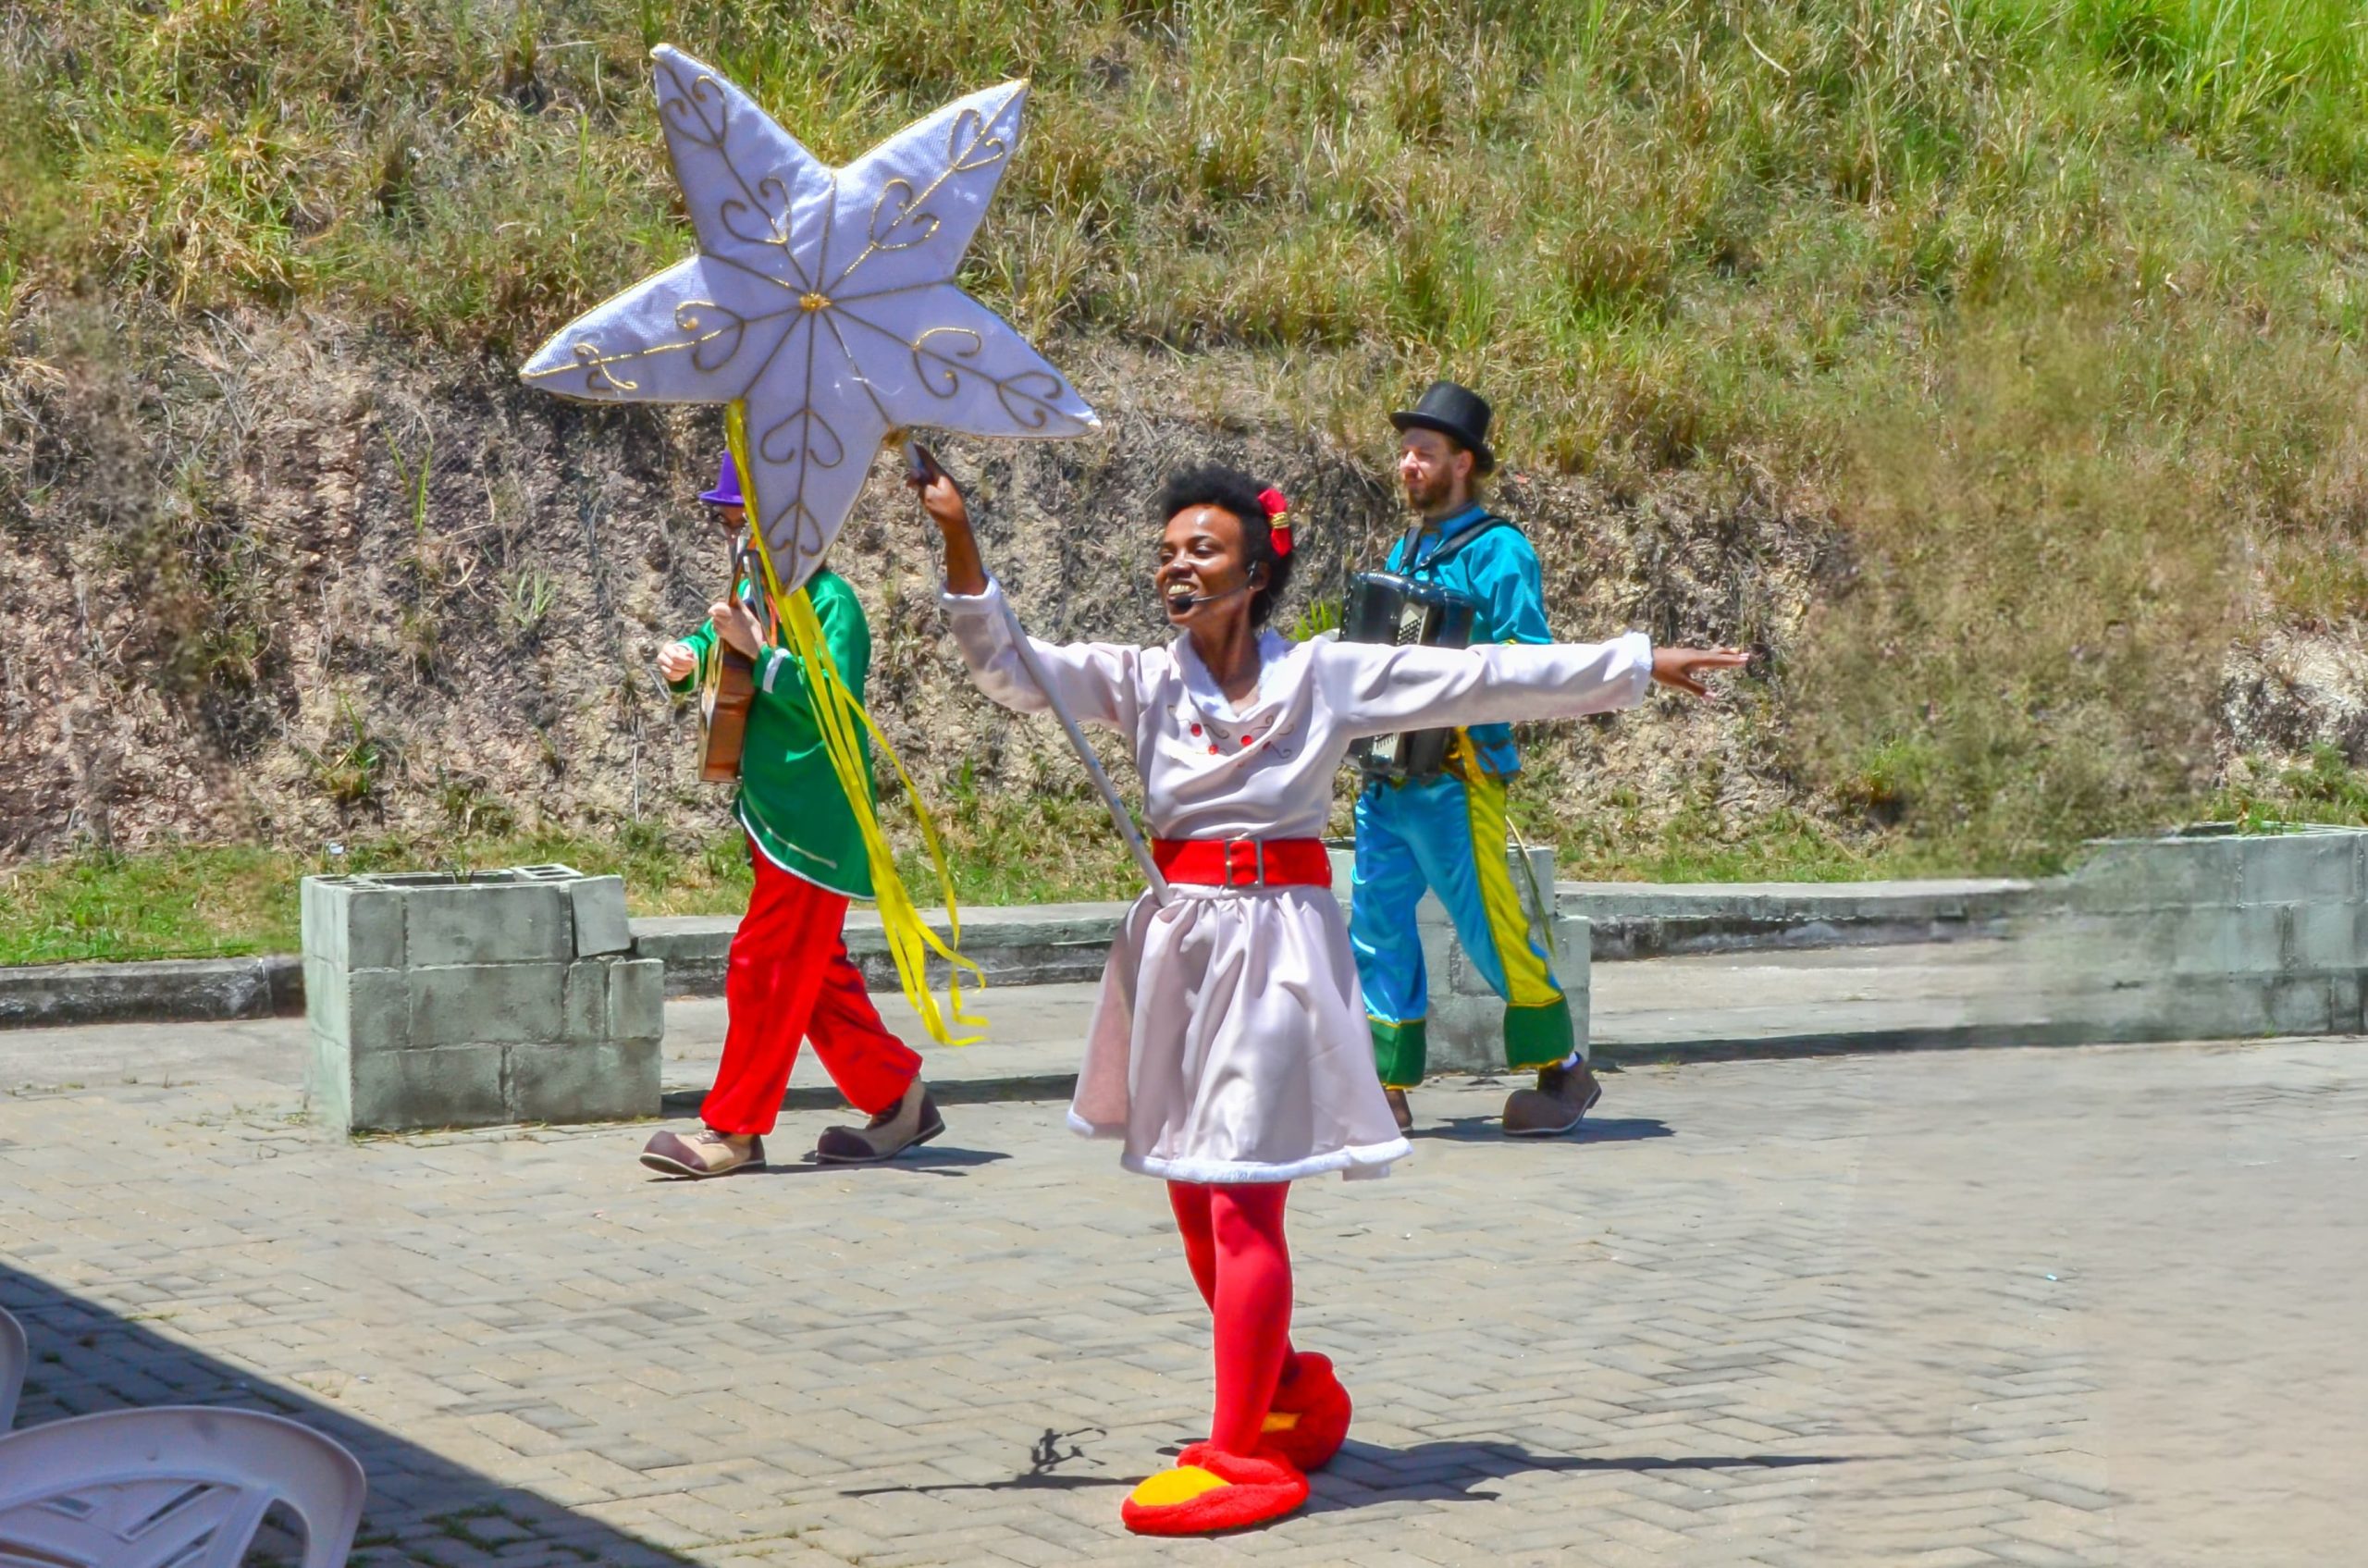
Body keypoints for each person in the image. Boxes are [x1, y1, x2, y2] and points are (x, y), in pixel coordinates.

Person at [914, 458, 1743, 1535]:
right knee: (1190, 1201)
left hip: (1278, 955)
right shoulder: (1138, 679)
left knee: (1242, 1193)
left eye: (1202, 549)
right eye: (1167, 550)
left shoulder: (1324, 676)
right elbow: (1010, 668)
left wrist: (1640, 661)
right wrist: (958, 535)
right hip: (1179, 954)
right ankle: (1291, 1388)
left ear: (1255, 570)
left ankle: (1238, 1457)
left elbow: (1487, 678)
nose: (1177, 564)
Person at [636, 453, 944, 1179]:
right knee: (816, 974)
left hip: (816, 823)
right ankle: (898, 1097)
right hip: (771, 813)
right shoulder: (754, 594)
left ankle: (735, 1128)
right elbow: (724, 651)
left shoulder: (832, 602)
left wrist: (761, 655)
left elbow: (833, 696)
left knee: (765, 964)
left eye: (741, 517)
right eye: (728, 518)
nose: (732, 529)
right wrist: (687, 659)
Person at [1350, 379, 1601, 1138]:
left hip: (1458, 779)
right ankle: (1385, 1083)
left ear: (1464, 462)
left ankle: (1562, 1068)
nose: (1407, 464)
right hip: (1389, 777)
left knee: (1490, 929)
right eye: (1403, 452)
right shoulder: (1408, 547)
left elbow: (1532, 657)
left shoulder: (1501, 551)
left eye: (1423, 453)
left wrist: (1457, 664)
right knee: (1376, 925)